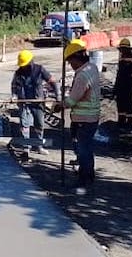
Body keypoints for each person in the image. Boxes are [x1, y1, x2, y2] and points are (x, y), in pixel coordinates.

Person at [58, 39, 101, 195]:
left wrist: (60, 105)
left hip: (84, 119)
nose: (70, 65)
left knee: (83, 150)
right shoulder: (92, 68)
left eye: (70, 62)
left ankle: (84, 180)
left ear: (77, 58)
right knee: (86, 148)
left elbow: (72, 99)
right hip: (92, 117)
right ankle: (88, 175)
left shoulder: (82, 75)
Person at [9, 49, 56, 155]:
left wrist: (57, 95)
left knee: (39, 124)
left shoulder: (40, 70)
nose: (23, 67)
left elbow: (52, 81)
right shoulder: (18, 73)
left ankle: (39, 146)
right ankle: (26, 147)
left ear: (31, 61)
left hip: (38, 102)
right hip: (24, 102)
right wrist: (14, 96)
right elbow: (14, 86)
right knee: (25, 124)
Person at [114, 38, 132, 131]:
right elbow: (119, 74)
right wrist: (116, 87)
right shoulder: (122, 59)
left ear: (128, 49)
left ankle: (130, 123)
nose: (122, 51)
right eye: (121, 49)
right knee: (121, 105)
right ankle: (121, 122)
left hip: (128, 86)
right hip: (121, 86)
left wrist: (131, 86)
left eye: (123, 49)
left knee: (129, 105)